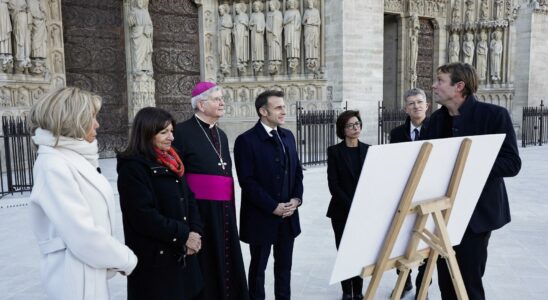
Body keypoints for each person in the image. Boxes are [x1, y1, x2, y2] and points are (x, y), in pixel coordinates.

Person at [28, 87, 138, 299]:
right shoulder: (54, 164)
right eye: (92, 117)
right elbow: (81, 233)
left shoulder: (73, 157)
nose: (97, 124)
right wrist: (125, 259)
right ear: (73, 120)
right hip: (74, 275)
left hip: (88, 269)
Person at [426, 62, 521, 300]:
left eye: (440, 80)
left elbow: (512, 164)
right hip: (442, 214)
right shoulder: (435, 121)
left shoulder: (494, 116)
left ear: (459, 86)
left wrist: (467, 165)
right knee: (446, 283)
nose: (433, 85)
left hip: (477, 216)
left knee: (468, 283)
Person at [173, 82, 249, 300]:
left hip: (224, 209)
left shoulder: (222, 135)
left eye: (222, 98)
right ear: (201, 104)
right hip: (200, 210)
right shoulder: (181, 132)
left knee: (226, 259)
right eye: (217, 99)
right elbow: (179, 177)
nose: (222, 103)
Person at [117, 107, 203, 300]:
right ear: (147, 133)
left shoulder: (173, 161)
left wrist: (196, 232)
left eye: (172, 131)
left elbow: (189, 199)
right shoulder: (133, 168)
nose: (171, 137)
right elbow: (143, 216)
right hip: (157, 262)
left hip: (184, 258)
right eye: (163, 132)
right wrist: (183, 235)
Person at [234, 90, 304, 300]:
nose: (284, 111)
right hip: (261, 217)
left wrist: (296, 199)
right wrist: (273, 206)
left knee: (284, 268)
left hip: (288, 216)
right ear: (263, 111)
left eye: (284, 106)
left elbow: (297, 172)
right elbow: (247, 181)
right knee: (258, 269)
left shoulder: (288, 136)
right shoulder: (246, 140)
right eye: (278, 107)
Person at [389, 88, 430, 299]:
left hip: (430, 194)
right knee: (401, 240)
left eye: (420, 102)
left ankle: (424, 284)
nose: (416, 106)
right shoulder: (396, 134)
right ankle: (403, 281)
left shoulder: (438, 130)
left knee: (427, 241)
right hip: (405, 195)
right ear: (406, 108)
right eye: (412, 103)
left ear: (427, 105)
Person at [326, 110, 369, 300]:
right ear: (342, 129)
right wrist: (351, 205)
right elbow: (333, 184)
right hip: (341, 211)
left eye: (357, 123)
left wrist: (362, 206)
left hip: (363, 211)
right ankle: (346, 291)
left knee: (359, 251)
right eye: (351, 125)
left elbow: (372, 181)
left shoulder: (368, 149)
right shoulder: (334, 151)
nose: (355, 128)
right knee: (344, 251)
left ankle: (359, 291)